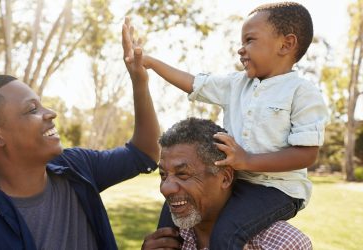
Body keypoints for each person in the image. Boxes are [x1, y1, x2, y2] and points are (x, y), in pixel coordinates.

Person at [124, 2, 328, 249]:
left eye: (250, 40)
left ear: (286, 44)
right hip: (237, 182)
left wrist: (247, 161)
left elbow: (307, 154)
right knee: (169, 220)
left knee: (227, 233)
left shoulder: (303, 93)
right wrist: (150, 62)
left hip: (276, 191)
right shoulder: (236, 84)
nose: (240, 50)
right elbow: (194, 84)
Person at [0, 18, 158, 250]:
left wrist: (139, 81)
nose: (51, 113)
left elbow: (144, 153)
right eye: (32, 109)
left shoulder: (76, 166)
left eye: (42, 104)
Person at [141, 118, 312, 250]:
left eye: (183, 174)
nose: (165, 188)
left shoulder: (283, 244)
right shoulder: (167, 238)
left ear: (225, 178)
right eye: (163, 175)